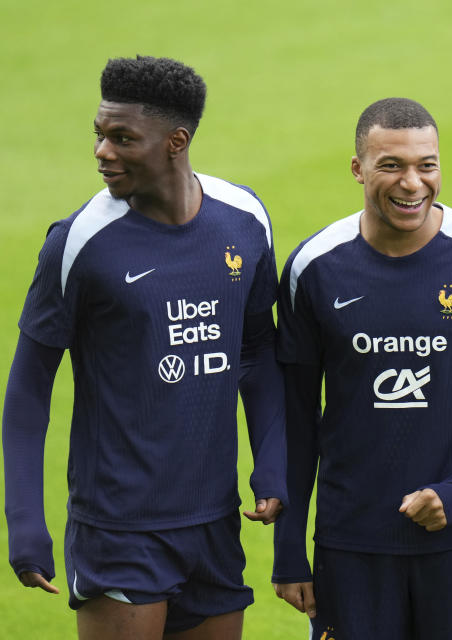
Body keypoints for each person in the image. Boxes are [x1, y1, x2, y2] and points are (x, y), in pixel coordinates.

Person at [2, 55, 286, 639]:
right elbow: (30, 388)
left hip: (213, 519)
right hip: (120, 525)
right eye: (99, 135)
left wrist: (273, 462)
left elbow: (257, 351)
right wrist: (26, 519)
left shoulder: (244, 220)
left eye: (123, 138)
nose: (102, 152)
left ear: (176, 141)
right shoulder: (80, 242)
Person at [270, 97, 452, 639]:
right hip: (351, 544)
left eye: (426, 165)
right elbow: (296, 414)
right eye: (391, 166)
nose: (412, 183)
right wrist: (288, 550)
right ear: (357, 169)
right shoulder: (314, 267)